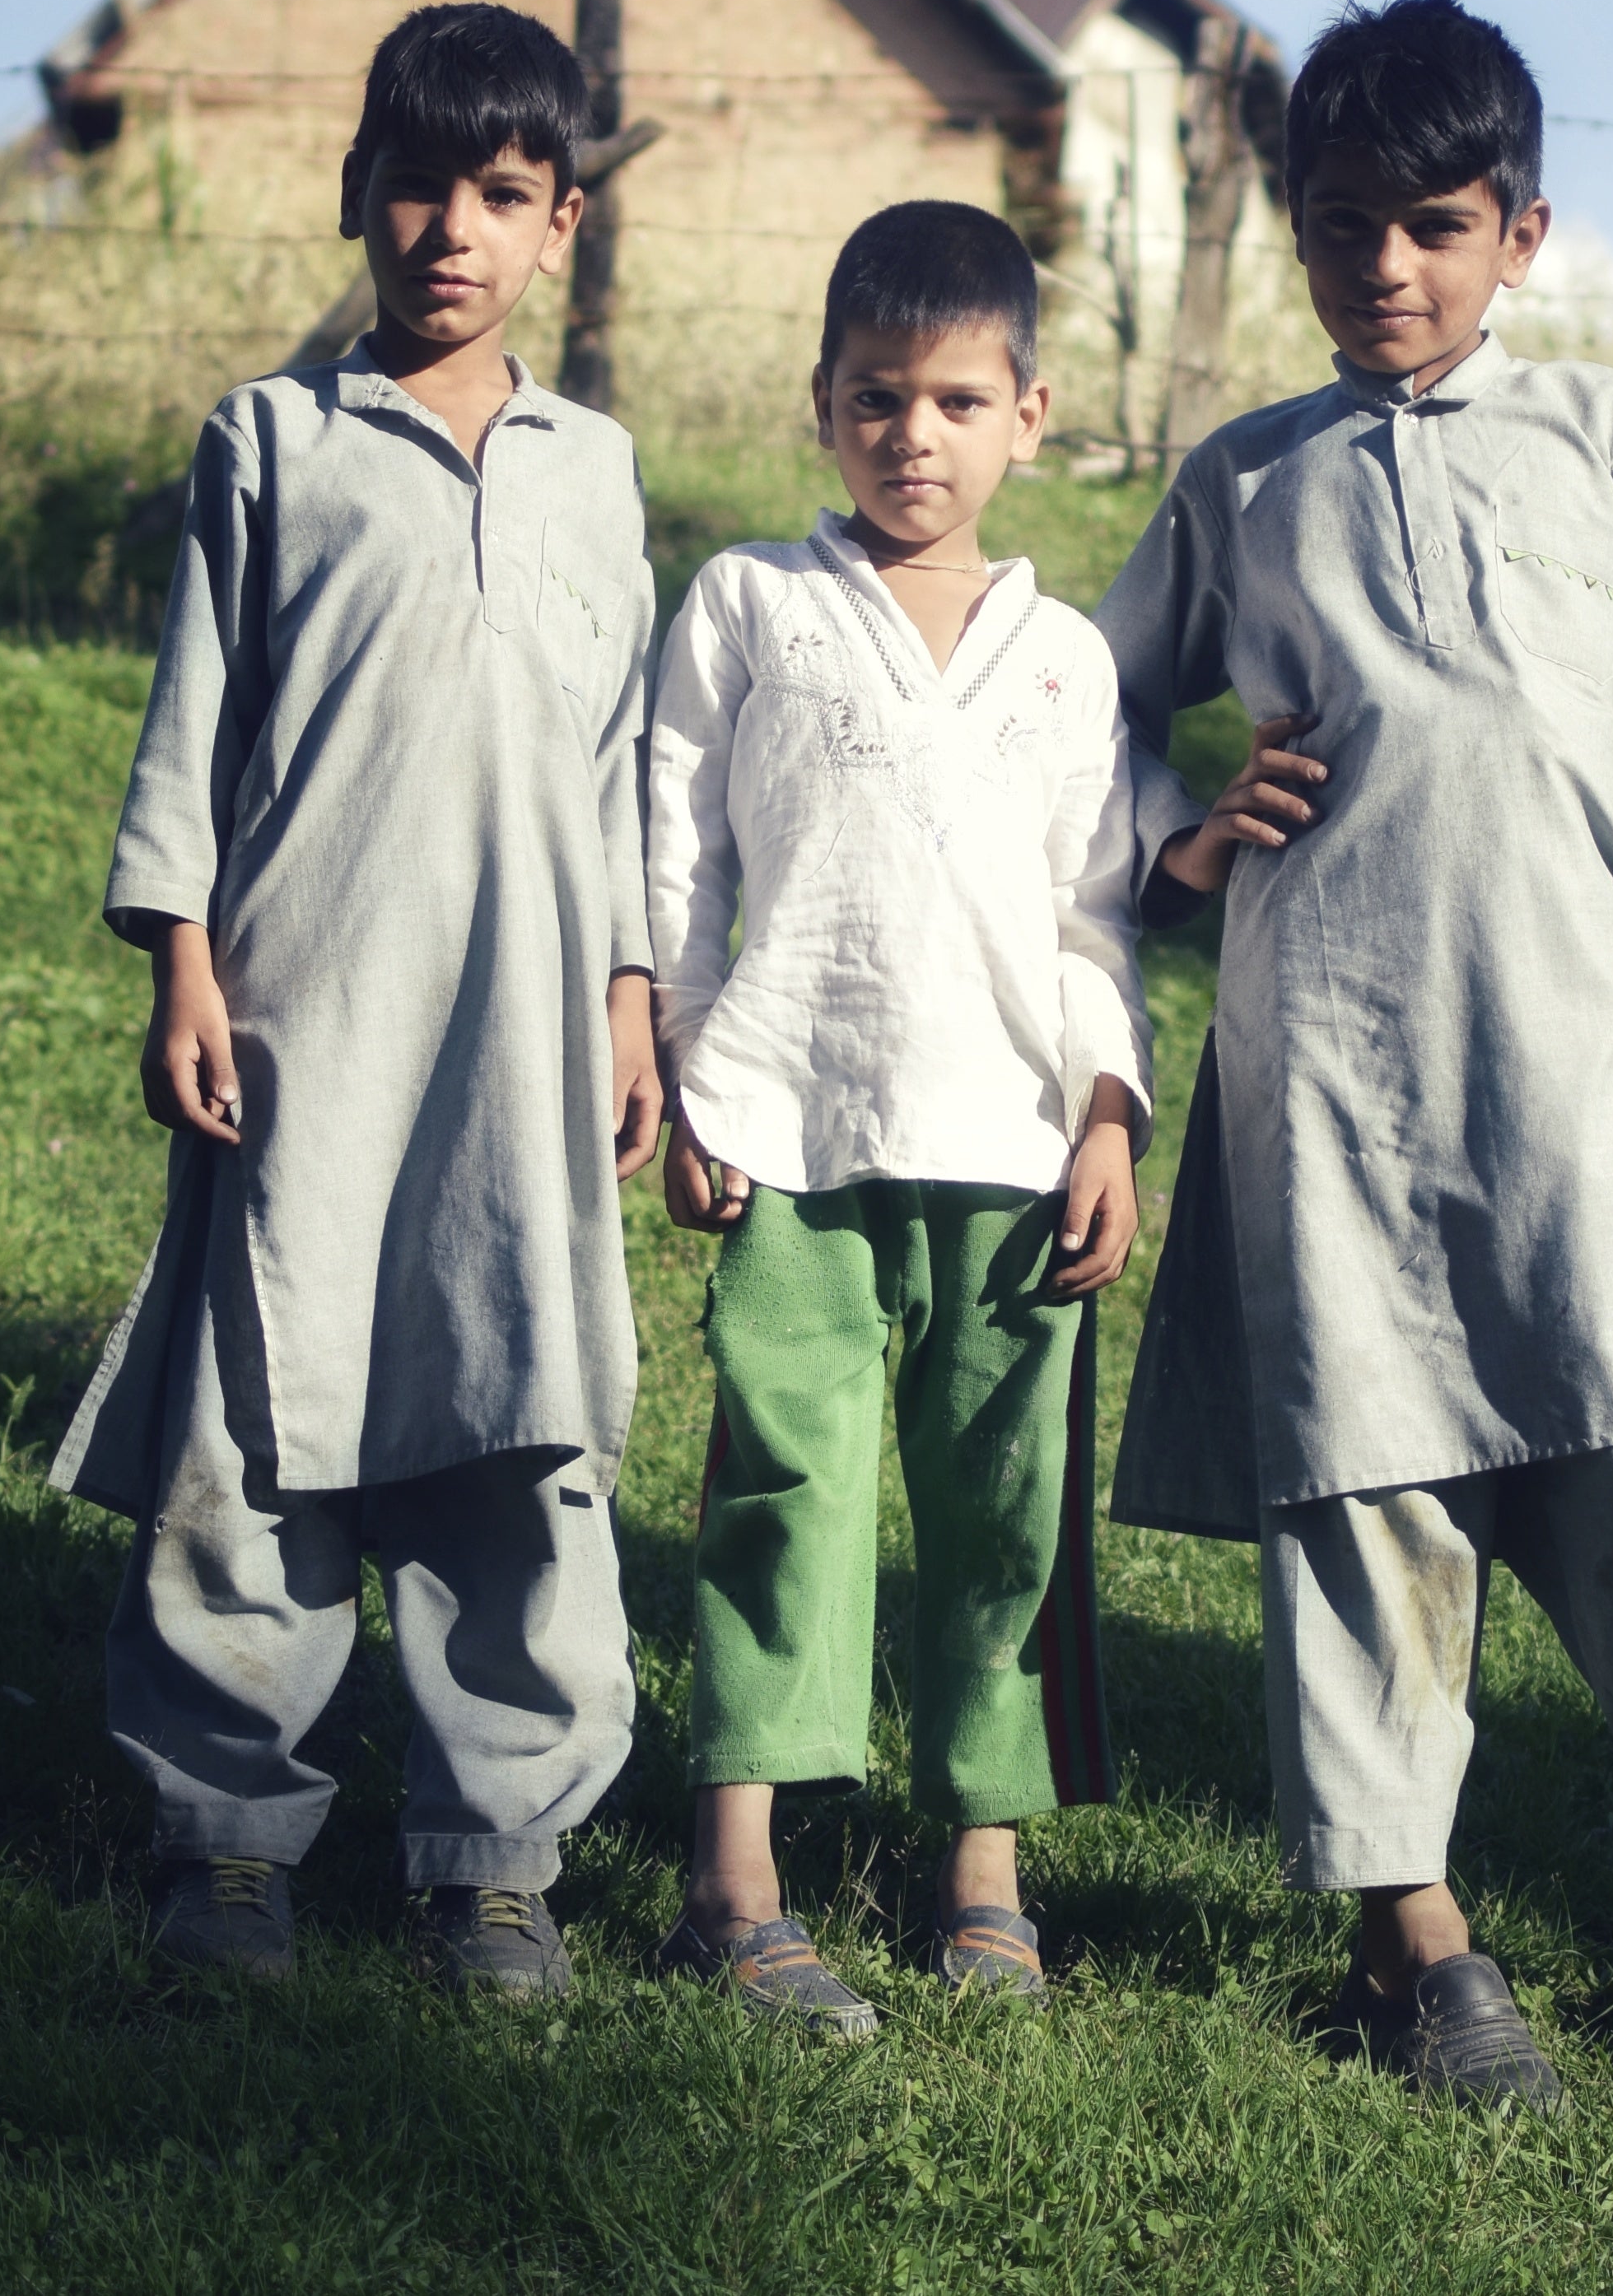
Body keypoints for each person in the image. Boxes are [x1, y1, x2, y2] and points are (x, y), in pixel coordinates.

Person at [1093, 0, 1613, 2105]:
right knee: (1360, 1477)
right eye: (1341, 229)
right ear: (1298, 235)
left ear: (1520, 228)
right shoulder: (1242, 480)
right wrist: (1178, 830)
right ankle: (1416, 1949)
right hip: (1322, 1062)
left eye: (1433, 224)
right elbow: (1092, 699)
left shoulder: (1611, 436)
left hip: (1582, 1050)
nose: (1386, 270)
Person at [46, 2, 666, 1996]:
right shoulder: (274, 438)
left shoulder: (599, 471)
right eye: (416, 183)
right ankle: (226, 1835)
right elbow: (189, 729)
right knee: (266, 1409)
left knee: (519, 1405)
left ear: (561, 223)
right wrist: (182, 963)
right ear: (354, 196)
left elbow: (621, 758)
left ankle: (494, 1856)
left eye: (501, 192)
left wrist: (633, 993)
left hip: (523, 1040)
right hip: (308, 1013)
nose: (450, 229)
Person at [641, 201, 1150, 2036]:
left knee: (1004, 1513)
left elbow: (1098, 912)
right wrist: (694, 1055)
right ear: (822, 403)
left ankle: (983, 1865)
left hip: (1016, 1152)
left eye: (953, 398)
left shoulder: (1065, 658)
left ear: (1030, 411)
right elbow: (677, 846)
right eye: (876, 397)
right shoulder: (752, 606)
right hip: (796, 1118)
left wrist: (1109, 1112)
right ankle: (737, 1876)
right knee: (783, 1487)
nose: (911, 435)